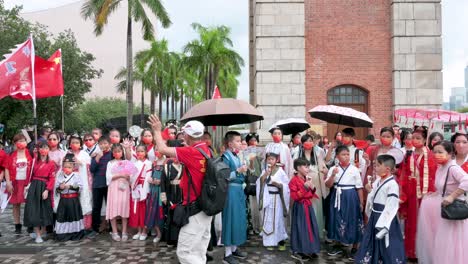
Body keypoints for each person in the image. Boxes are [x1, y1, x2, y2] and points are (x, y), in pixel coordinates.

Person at [148, 115, 212, 264]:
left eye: (184, 134)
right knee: (199, 250)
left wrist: (157, 130)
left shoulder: (191, 153)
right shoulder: (205, 150)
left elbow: (162, 149)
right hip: (206, 207)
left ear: (188, 135)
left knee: (184, 252)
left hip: (195, 209)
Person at [416, 141, 468, 263]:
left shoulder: (453, 168)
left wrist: (452, 197)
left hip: (453, 209)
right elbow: (443, 188)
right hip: (443, 207)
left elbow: (466, 181)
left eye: (440, 152)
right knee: (442, 241)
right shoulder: (441, 168)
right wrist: (434, 194)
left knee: (451, 242)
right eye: (434, 152)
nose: (437, 154)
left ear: (450, 153)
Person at [355, 154, 405, 264]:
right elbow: (373, 197)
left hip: (386, 219)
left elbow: (391, 206)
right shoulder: (378, 181)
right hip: (375, 215)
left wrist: (385, 224)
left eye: (378, 166)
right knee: (371, 241)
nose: (375, 168)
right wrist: (369, 191)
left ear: (387, 169)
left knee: (387, 244)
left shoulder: (392, 185)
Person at [399, 126, 436, 260]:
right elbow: (403, 174)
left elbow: (434, 176)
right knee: (412, 223)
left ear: (425, 139)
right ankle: (412, 252)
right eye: (413, 138)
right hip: (411, 194)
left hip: (427, 196)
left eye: (418, 138)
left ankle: (426, 252)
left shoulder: (431, 156)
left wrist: (419, 180)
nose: (414, 140)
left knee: (426, 225)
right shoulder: (409, 155)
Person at [325, 145, 363, 257]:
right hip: (337, 195)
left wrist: (361, 202)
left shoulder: (355, 169)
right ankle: (338, 244)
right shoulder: (333, 169)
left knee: (353, 218)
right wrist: (332, 175)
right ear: (337, 156)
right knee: (337, 218)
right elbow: (328, 185)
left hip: (351, 196)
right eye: (343, 154)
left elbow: (359, 187)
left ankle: (355, 246)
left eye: (347, 154)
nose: (346, 157)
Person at [221, 131, 248, 264]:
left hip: (238, 191)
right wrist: (238, 171)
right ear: (230, 143)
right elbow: (223, 176)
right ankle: (227, 253)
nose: (240, 143)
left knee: (238, 219)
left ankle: (234, 247)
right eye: (237, 141)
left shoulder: (236, 156)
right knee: (230, 219)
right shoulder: (225, 156)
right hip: (230, 191)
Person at [295, 134, 328, 239]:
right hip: (303, 184)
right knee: (305, 208)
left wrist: (324, 171)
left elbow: (323, 167)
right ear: (302, 143)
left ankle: (315, 232)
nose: (309, 142)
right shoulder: (298, 154)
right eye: (306, 141)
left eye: (310, 140)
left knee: (315, 208)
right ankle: (305, 232)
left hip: (315, 185)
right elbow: (294, 169)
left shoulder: (318, 154)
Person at [256, 152, 290, 251]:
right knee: (268, 219)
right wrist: (265, 176)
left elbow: (286, 185)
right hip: (268, 197)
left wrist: (279, 185)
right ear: (266, 160)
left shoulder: (280, 171)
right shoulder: (265, 170)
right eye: (269, 159)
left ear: (276, 160)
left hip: (278, 198)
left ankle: (280, 241)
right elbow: (259, 183)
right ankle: (269, 242)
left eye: (272, 159)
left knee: (279, 219)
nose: (270, 161)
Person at [289, 158, 321, 262]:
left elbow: (310, 195)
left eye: (308, 166)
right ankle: (300, 250)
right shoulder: (293, 180)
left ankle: (311, 249)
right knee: (301, 228)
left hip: (308, 206)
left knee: (310, 227)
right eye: (305, 166)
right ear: (298, 168)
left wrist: (312, 188)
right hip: (300, 207)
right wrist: (305, 188)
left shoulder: (306, 178)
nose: (308, 169)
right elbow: (295, 196)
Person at [23, 142, 55, 243]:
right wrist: (26, 186)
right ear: (38, 149)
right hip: (34, 187)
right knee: (34, 210)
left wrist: (47, 190)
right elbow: (29, 176)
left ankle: (42, 231)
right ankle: (37, 234)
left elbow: (52, 178)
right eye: (42, 147)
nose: (44, 150)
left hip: (44, 186)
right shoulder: (33, 162)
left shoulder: (51, 163)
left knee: (45, 210)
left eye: (46, 148)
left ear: (49, 150)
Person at [106, 143, 137, 242]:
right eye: (115, 152)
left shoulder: (126, 162)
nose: (117, 153)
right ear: (113, 153)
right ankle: (114, 232)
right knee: (113, 210)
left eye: (119, 151)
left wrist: (128, 177)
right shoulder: (110, 163)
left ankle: (124, 231)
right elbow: (108, 177)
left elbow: (131, 176)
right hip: (113, 187)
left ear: (122, 152)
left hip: (124, 187)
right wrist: (120, 176)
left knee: (124, 209)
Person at [4, 133, 33, 234]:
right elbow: (7, 168)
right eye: (19, 141)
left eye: (23, 140)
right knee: (16, 204)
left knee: (29, 204)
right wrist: (8, 182)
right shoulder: (11, 155)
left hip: (27, 182)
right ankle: (17, 224)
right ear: (15, 143)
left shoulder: (30, 153)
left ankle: (30, 224)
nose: (22, 143)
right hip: (15, 182)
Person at [55, 154, 85, 241]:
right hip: (63, 200)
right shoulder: (60, 176)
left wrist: (70, 187)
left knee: (73, 216)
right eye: (65, 167)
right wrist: (60, 188)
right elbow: (56, 190)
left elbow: (80, 188)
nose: (67, 169)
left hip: (73, 200)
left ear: (73, 167)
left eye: (69, 167)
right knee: (63, 216)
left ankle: (75, 234)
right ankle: (63, 235)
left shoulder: (76, 175)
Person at [160, 140, 184, 245]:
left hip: (182, 193)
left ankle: (181, 238)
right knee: (171, 214)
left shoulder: (184, 165)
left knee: (181, 214)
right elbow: (163, 183)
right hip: (171, 193)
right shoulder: (166, 167)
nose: (176, 158)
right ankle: (171, 239)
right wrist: (164, 197)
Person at [68, 135, 93, 232]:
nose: (75, 144)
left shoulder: (84, 154)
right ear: (70, 144)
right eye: (73, 142)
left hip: (83, 180)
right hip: (71, 180)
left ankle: (86, 226)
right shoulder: (67, 154)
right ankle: (74, 226)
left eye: (77, 142)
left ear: (80, 144)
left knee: (84, 200)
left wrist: (80, 162)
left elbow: (88, 165)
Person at [89, 136, 112, 237]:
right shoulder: (95, 155)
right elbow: (92, 169)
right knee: (96, 207)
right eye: (101, 144)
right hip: (97, 184)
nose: (103, 145)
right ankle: (95, 228)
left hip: (108, 184)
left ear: (109, 144)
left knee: (110, 206)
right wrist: (97, 158)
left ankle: (111, 227)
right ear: (98, 145)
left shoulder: (112, 155)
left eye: (105, 143)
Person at [129, 145, 152, 241]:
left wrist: (145, 190)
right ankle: (139, 230)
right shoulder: (134, 163)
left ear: (146, 152)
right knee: (136, 211)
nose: (139, 153)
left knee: (144, 211)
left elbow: (148, 177)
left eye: (142, 151)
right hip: (135, 188)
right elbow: (132, 176)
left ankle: (144, 231)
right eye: (138, 151)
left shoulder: (149, 163)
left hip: (144, 188)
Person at [145, 149, 165, 244]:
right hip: (154, 190)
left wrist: (161, 182)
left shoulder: (167, 162)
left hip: (163, 190)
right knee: (154, 211)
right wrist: (151, 180)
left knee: (162, 211)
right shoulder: (153, 163)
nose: (157, 151)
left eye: (159, 149)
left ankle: (165, 233)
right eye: (155, 149)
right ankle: (158, 233)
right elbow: (150, 175)